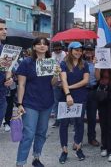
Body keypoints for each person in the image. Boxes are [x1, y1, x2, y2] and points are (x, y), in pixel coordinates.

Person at [16, 37, 60, 167]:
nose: (42, 46)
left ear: (47, 47)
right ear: (34, 47)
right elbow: (21, 85)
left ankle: (36, 158)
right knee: (28, 134)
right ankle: (20, 162)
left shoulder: (51, 62)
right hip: (30, 103)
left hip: (47, 102)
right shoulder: (26, 62)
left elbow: (52, 84)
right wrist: (19, 104)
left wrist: (56, 75)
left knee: (41, 132)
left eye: (44, 44)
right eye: (39, 44)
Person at [59, 42, 89, 164]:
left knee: (79, 123)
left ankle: (78, 147)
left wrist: (69, 87)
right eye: (76, 50)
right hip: (66, 97)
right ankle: (64, 150)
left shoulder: (85, 64)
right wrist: (68, 94)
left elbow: (85, 80)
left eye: (80, 50)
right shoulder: (63, 63)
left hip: (81, 96)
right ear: (70, 50)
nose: (78, 52)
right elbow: (63, 79)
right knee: (64, 124)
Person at [83, 42, 100, 147]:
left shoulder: (97, 62)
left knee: (92, 117)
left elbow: (98, 78)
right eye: (87, 50)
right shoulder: (80, 62)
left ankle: (92, 138)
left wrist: (96, 65)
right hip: (81, 91)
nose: (89, 52)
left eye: (91, 50)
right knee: (78, 117)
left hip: (93, 91)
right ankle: (78, 140)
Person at [0, 18, 14, 127]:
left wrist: (9, 79)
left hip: (2, 94)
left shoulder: (6, 49)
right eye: (0, 29)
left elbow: (7, 70)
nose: (4, 31)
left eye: (5, 29)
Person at [51, 41, 67, 128]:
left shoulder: (65, 55)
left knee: (65, 100)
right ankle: (57, 119)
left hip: (64, 80)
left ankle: (68, 119)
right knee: (56, 101)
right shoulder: (52, 55)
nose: (57, 51)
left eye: (59, 49)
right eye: (56, 49)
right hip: (55, 80)